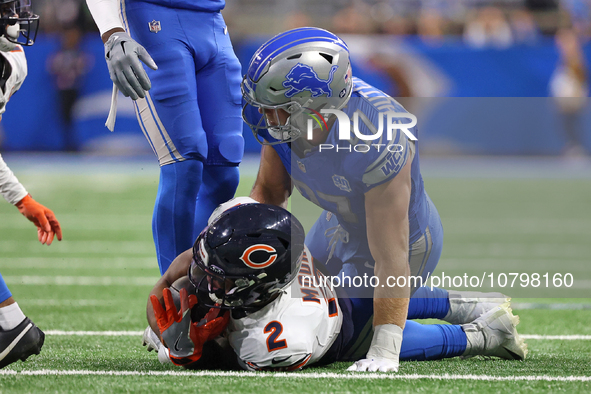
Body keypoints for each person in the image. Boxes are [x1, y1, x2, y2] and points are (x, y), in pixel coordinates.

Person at [240, 27, 525, 372]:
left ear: (316, 104)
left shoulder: (377, 135)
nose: (269, 119)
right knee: (303, 299)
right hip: (339, 221)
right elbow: (269, 195)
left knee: (342, 336)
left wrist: (384, 348)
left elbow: (391, 255)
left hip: (407, 241)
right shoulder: (291, 122)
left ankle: (486, 335)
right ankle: (463, 302)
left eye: (279, 108)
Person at [145, 200, 526, 371]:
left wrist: (191, 353)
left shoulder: (275, 339)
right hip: (330, 284)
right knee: (370, 285)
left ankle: (490, 335)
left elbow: (231, 359)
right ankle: (473, 300)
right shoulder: (249, 251)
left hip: (339, 332)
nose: (202, 278)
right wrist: (164, 329)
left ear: (257, 287)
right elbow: (169, 281)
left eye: (218, 277)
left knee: (395, 335)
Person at [85, 0, 245, 275]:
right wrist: (112, 33)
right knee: (184, 162)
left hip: (211, 22)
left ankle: (199, 283)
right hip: (150, 17)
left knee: (224, 171)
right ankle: (174, 298)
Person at [0, 0, 63, 368]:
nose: (15, 19)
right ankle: (11, 323)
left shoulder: (8, 61)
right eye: (7, 10)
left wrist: (24, 201)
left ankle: (12, 324)